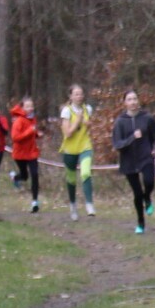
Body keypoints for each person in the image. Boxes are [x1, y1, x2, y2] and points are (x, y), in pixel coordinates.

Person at [113, 91, 155, 234]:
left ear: (139, 101)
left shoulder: (147, 118)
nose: (133, 102)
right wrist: (132, 138)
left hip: (145, 157)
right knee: (137, 193)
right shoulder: (120, 121)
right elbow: (117, 144)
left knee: (149, 182)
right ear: (125, 103)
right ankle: (140, 222)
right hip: (128, 161)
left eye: (135, 99)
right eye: (129, 99)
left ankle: (148, 197)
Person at [58, 84, 97, 220]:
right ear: (71, 96)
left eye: (81, 94)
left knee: (85, 172)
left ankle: (89, 204)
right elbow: (68, 133)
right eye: (76, 94)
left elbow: (89, 126)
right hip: (70, 149)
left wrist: (88, 124)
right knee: (71, 179)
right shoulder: (66, 111)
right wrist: (78, 121)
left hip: (85, 146)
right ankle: (73, 206)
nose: (80, 96)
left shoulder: (88, 109)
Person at [10, 98, 43, 211]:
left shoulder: (33, 119)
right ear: (22, 108)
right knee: (24, 176)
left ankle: (35, 202)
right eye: (28, 106)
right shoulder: (18, 121)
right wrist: (30, 131)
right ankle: (15, 177)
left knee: (35, 175)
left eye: (31, 106)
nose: (30, 108)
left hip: (32, 152)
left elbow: (32, 133)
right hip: (20, 154)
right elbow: (15, 137)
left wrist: (37, 134)